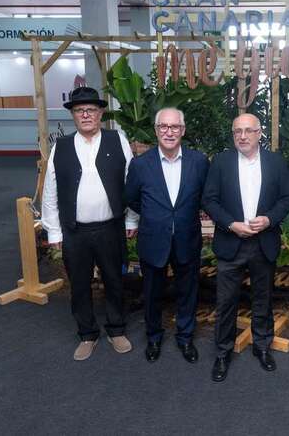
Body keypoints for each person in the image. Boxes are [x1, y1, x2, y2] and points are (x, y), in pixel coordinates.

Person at [41, 86, 139, 361]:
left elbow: (131, 182)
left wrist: (132, 218)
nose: (85, 114)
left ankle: (116, 329)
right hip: (75, 231)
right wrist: (54, 231)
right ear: (73, 115)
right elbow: (50, 190)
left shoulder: (118, 140)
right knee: (80, 285)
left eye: (91, 109)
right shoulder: (60, 147)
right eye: (79, 110)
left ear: (100, 113)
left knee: (114, 280)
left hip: (111, 228)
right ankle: (87, 334)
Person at [202, 113, 289, 382]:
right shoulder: (221, 162)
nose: (242, 136)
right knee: (226, 301)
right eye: (237, 131)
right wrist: (231, 224)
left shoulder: (275, 162)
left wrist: (269, 219)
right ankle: (223, 352)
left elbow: (287, 198)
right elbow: (209, 200)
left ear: (259, 133)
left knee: (263, 298)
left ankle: (262, 347)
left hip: (263, 242)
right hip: (231, 242)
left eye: (248, 131)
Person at [124, 108, 209, 364]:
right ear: (156, 130)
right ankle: (153, 337)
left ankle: (185, 337)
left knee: (188, 292)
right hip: (153, 239)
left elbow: (205, 196)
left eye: (174, 127)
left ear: (183, 130)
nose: (169, 132)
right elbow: (132, 198)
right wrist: (155, 216)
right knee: (152, 293)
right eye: (163, 127)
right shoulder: (140, 165)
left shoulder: (199, 162)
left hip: (187, 238)